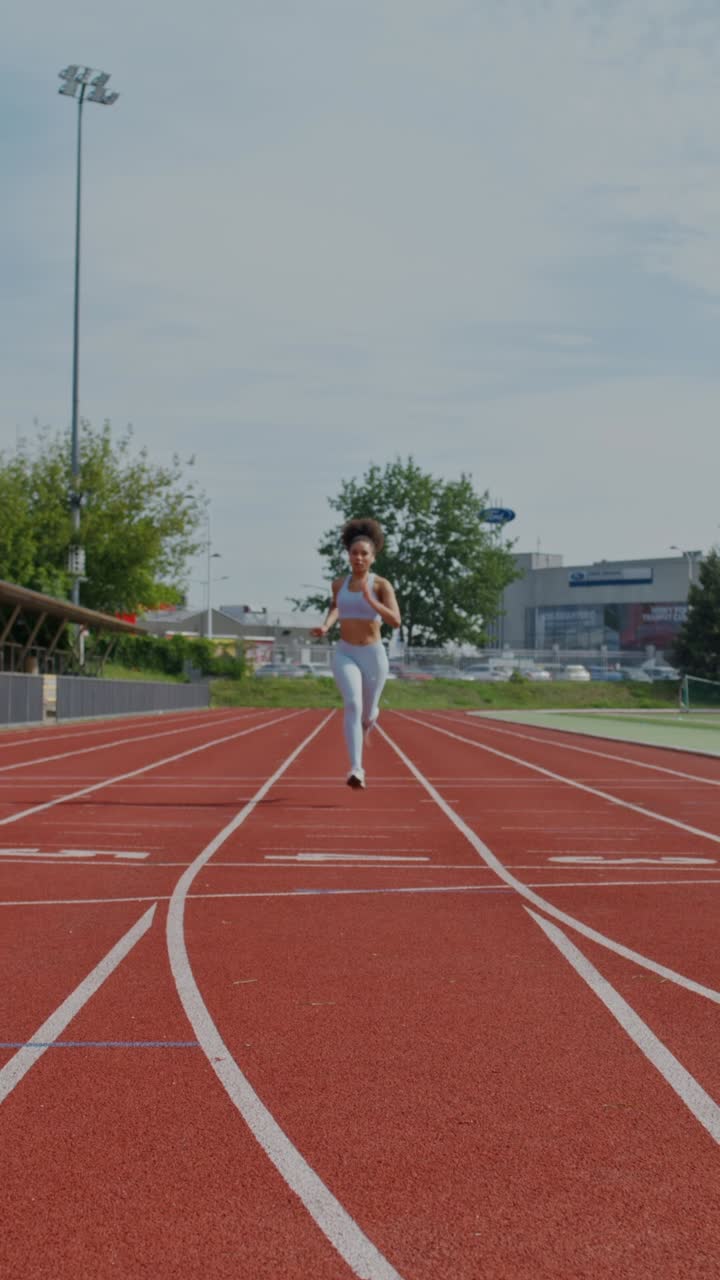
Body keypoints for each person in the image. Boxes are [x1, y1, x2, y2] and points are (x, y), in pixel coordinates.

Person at [311, 518, 401, 789]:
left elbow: (395, 621)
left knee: (367, 714)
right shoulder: (339, 584)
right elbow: (337, 607)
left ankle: (371, 716)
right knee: (352, 705)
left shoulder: (381, 585)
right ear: (348, 555)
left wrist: (371, 600)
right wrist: (326, 626)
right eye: (354, 553)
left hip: (373, 655)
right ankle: (356, 769)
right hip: (346, 652)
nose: (359, 558)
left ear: (373, 558)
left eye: (364, 554)